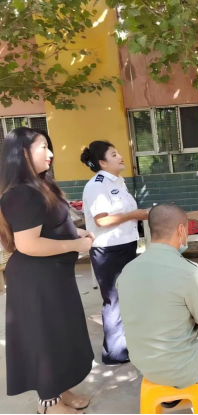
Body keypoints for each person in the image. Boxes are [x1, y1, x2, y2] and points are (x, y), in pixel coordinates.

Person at [0, 128, 94, 415]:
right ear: (22, 153)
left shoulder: (40, 186)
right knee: (45, 339)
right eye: (43, 147)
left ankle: (61, 389)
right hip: (36, 281)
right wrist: (76, 244)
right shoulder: (22, 193)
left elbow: (51, 224)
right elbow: (28, 244)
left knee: (61, 336)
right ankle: (48, 403)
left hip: (54, 276)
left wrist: (75, 232)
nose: (51, 153)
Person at [118, 204, 198, 414]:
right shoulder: (189, 272)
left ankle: (171, 398)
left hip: (144, 363)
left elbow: (160, 307)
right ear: (181, 230)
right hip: (180, 368)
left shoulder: (127, 270)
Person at [81, 141, 150, 365]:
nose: (120, 156)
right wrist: (134, 215)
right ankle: (114, 353)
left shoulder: (118, 183)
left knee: (126, 296)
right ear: (102, 162)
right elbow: (101, 220)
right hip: (108, 249)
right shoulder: (97, 185)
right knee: (113, 300)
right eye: (114, 154)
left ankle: (125, 344)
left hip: (126, 245)